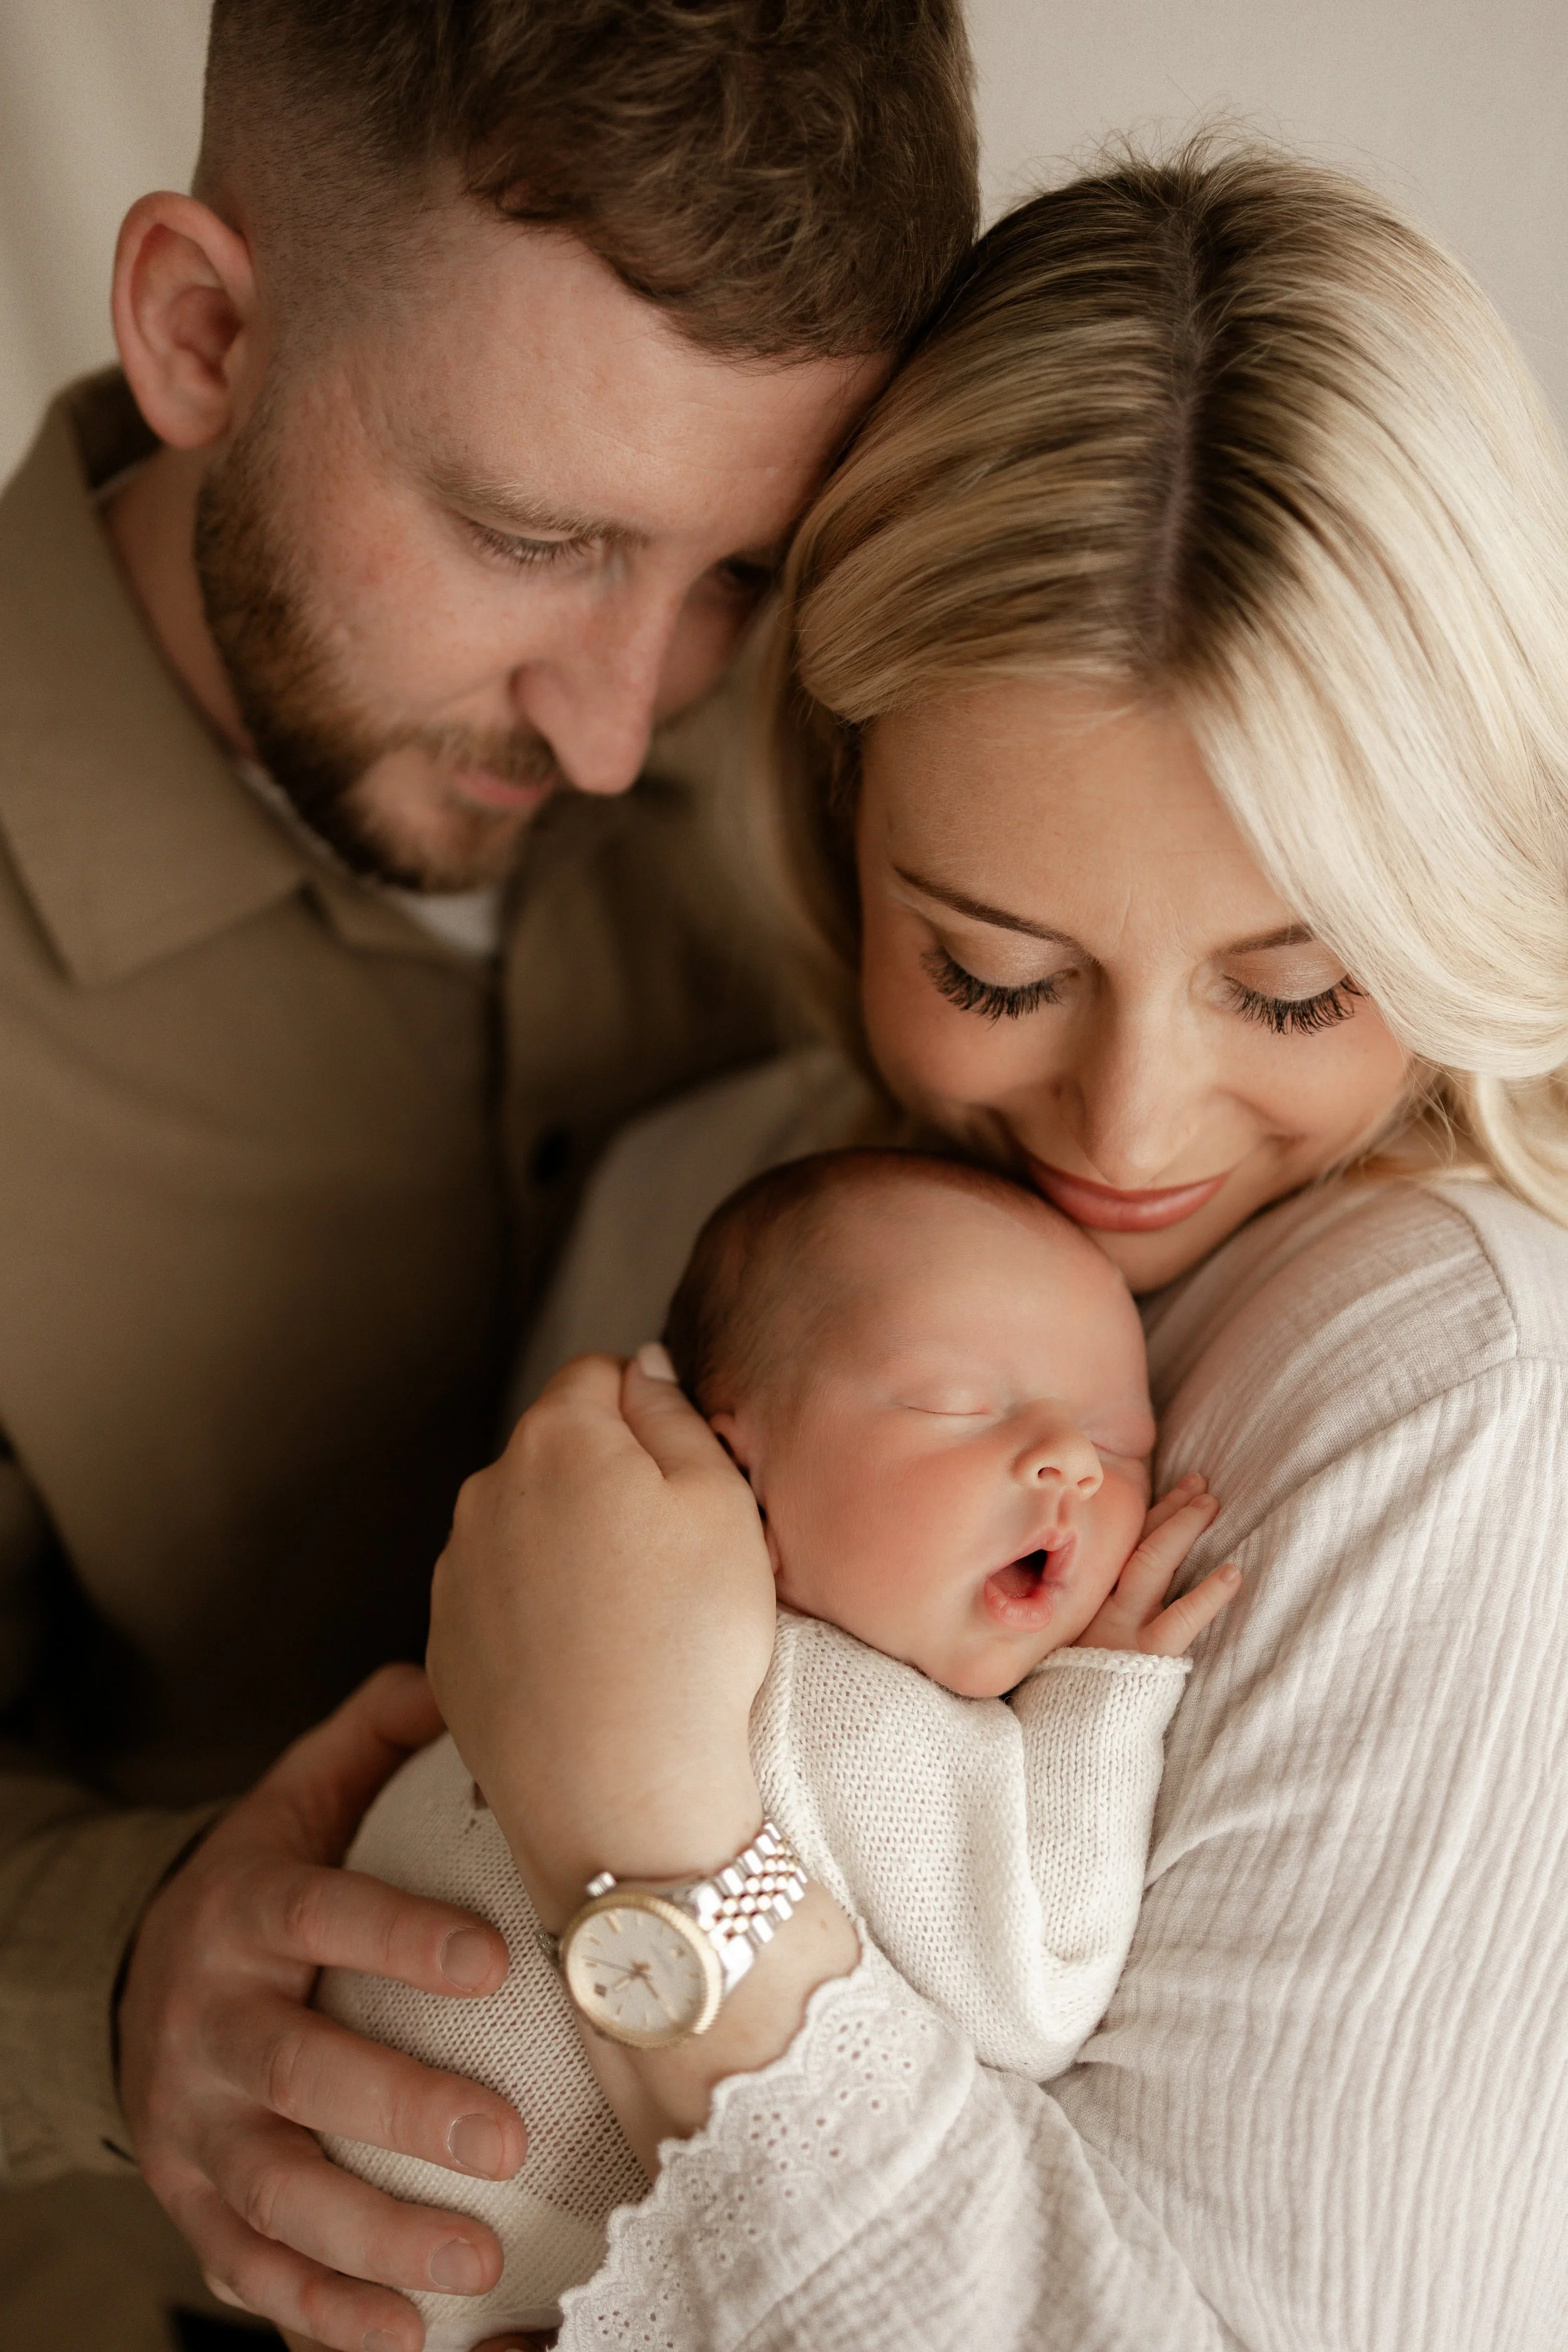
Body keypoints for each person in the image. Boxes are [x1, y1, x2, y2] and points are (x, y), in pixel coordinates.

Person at [426, 144, 1568, 2352]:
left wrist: (656, 1855)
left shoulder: (1451, 1392)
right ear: (839, 812)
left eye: (1299, 990)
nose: (1125, 1134)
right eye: (1000, 975)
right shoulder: (702, 1197)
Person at [0, 4, 979, 2346]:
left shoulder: (891, 755)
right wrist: (116, 1976)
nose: (629, 724)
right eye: (536, 539)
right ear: (199, 332)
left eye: (740, 568)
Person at [313, 1148, 1238, 2346]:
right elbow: (1036, 1990)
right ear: (739, 1474)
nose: (1067, 1458)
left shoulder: (572, 1611)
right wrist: (1103, 1696)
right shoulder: (828, 1710)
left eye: (1120, 1444)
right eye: (958, 1403)